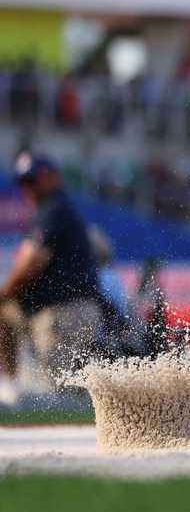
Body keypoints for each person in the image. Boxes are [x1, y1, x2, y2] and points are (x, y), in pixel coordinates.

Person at [0, 152, 103, 401]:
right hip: (51, 308)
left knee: (59, 394)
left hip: (66, 309)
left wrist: (3, 292)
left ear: (53, 178)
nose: (29, 187)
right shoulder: (46, 211)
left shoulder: (55, 208)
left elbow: (31, 262)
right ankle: (10, 385)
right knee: (4, 316)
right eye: (24, 181)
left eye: (34, 179)